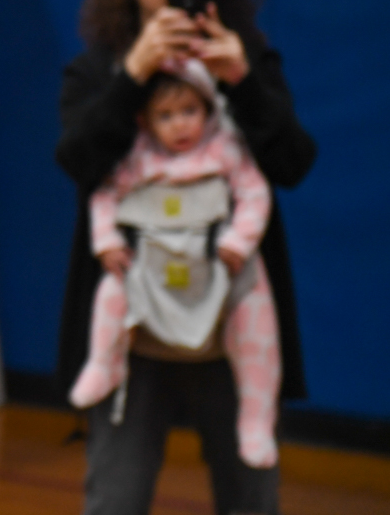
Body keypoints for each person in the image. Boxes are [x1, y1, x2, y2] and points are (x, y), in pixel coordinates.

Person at [55, 0, 316, 515]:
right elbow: (79, 163)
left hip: (231, 323)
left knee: (250, 496)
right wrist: (134, 76)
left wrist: (241, 81)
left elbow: (293, 163)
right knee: (115, 498)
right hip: (134, 329)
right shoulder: (98, 69)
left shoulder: (245, 57)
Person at [68, 62, 279, 469]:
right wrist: (107, 242)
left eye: (189, 111)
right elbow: (104, 196)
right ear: (144, 121)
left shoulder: (225, 149)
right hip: (149, 269)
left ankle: (256, 417)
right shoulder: (137, 157)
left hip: (217, 268)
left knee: (256, 310)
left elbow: (255, 193)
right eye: (165, 116)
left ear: (209, 109)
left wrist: (238, 241)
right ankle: (103, 363)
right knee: (111, 291)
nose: (180, 124)